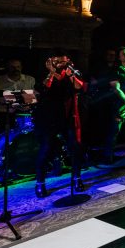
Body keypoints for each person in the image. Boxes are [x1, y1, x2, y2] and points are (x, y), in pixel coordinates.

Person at [33, 53, 86, 198]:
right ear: (50, 61)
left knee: (75, 147)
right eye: (56, 60)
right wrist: (51, 72)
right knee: (46, 148)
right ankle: (40, 183)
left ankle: (76, 178)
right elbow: (43, 89)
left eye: (63, 60)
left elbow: (79, 87)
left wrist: (71, 76)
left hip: (67, 116)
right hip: (49, 116)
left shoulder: (70, 73)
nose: (60, 62)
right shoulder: (44, 73)